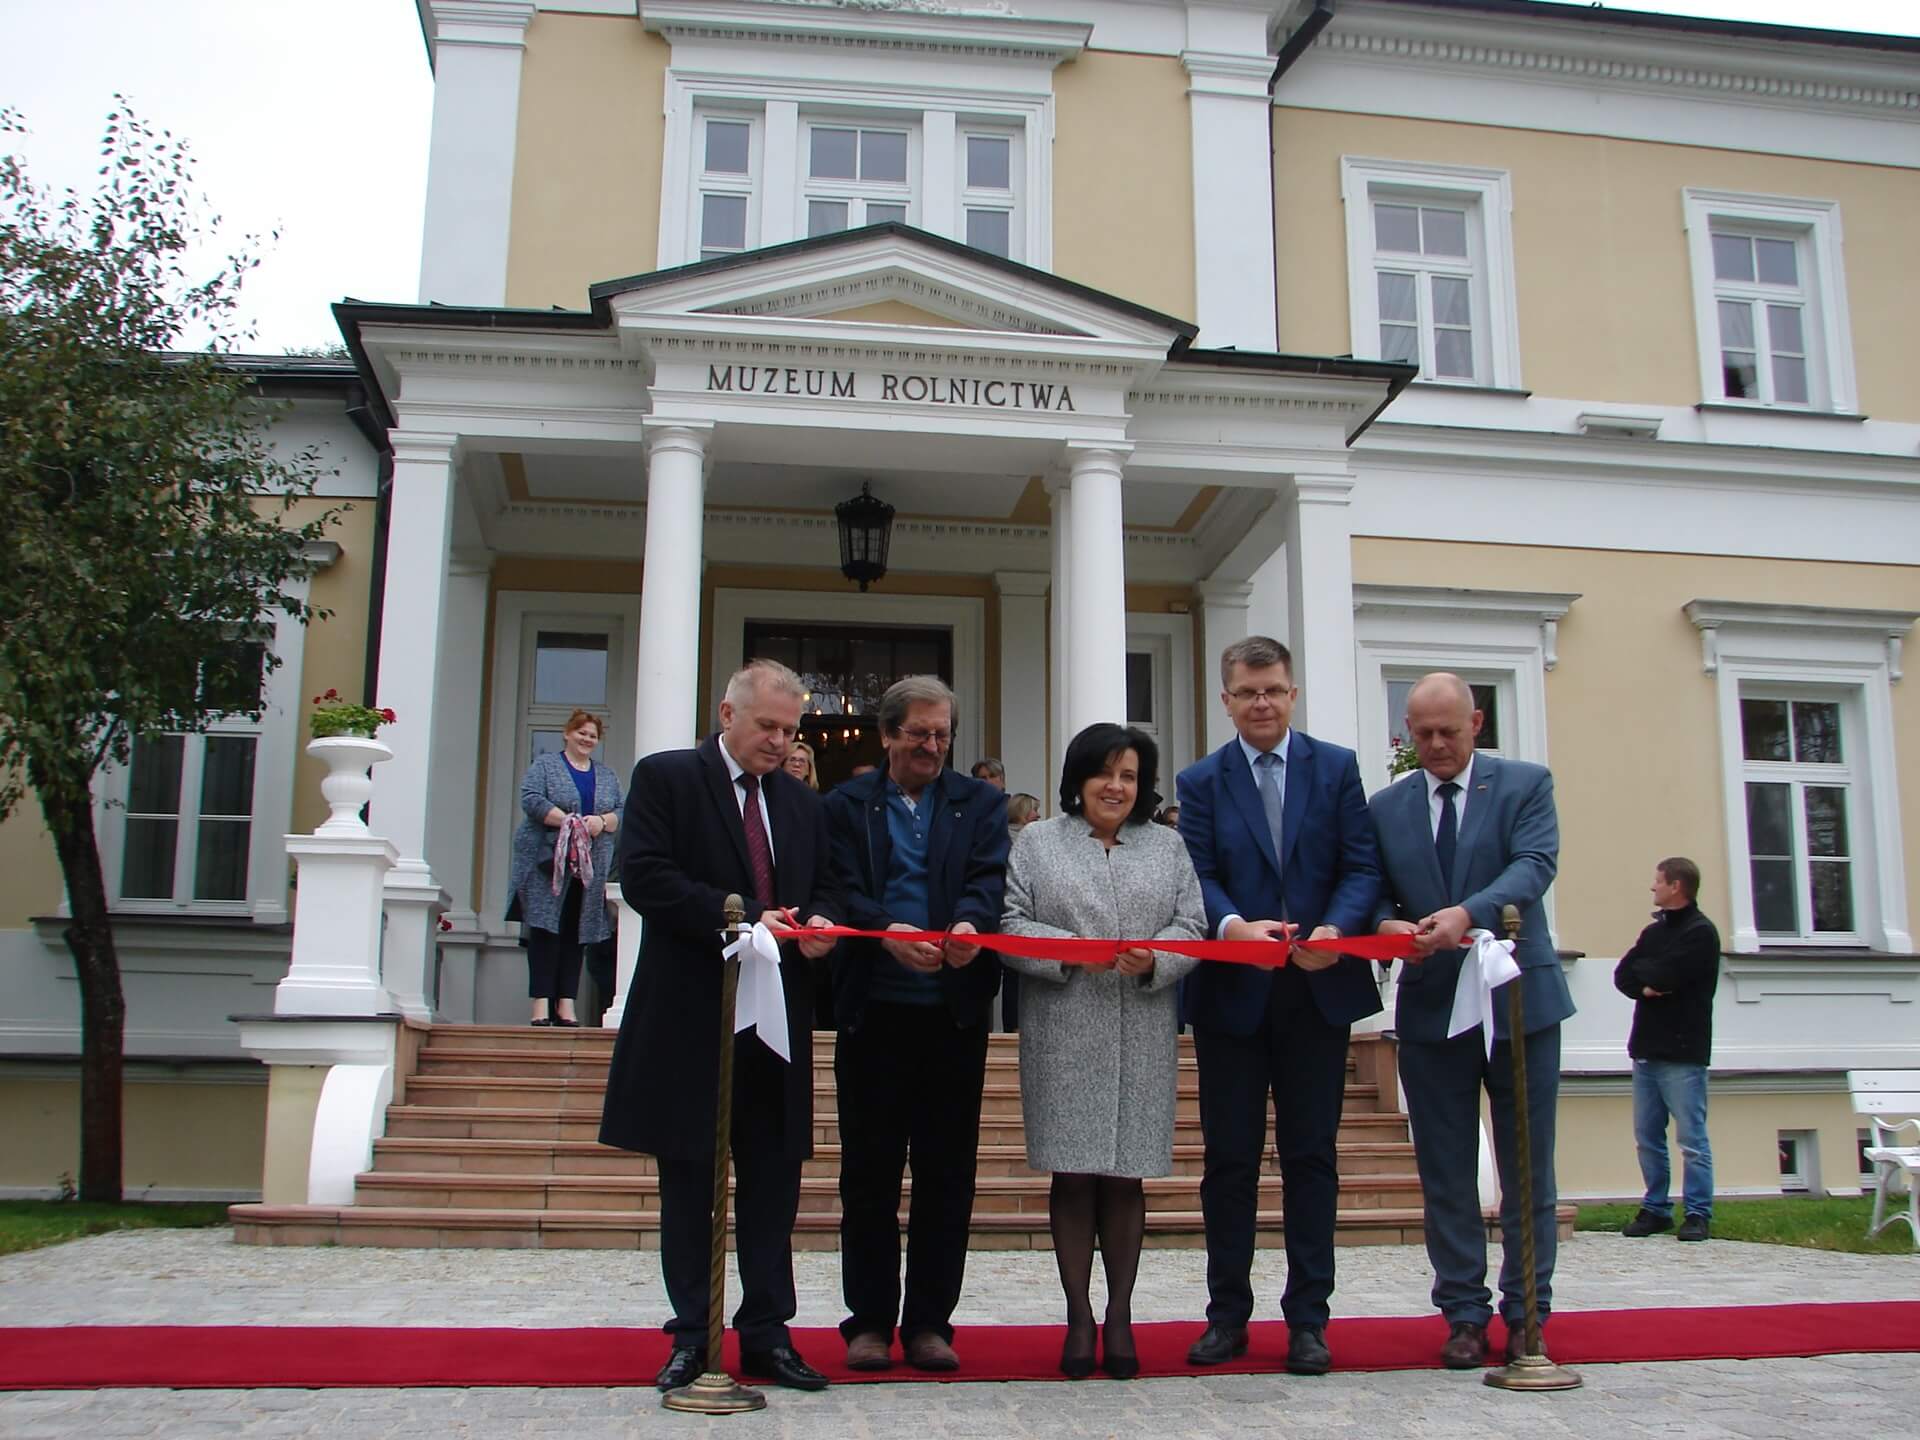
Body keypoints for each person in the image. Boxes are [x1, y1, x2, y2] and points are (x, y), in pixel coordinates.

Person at [599, 660, 843, 1394]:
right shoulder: (668, 777)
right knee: (690, 1178)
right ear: (726, 713)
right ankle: (693, 1336)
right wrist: (733, 916)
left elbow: (821, 885)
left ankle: (767, 1332)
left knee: (773, 1181)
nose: (778, 742)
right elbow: (642, 875)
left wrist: (820, 924)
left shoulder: (801, 804)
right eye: (767, 726)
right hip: (688, 1013)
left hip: (775, 1021)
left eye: (791, 731)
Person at [1175, 636, 1381, 1377]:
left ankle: (1309, 1322)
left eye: (1273, 689)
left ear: (1292, 695)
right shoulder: (1200, 780)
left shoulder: (1337, 768)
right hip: (1233, 994)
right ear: (1226, 700)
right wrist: (1233, 927)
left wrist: (1337, 928)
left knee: (1310, 1160)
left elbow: (1361, 864)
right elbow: (1194, 870)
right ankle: (1227, 1317)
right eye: (1247, 691)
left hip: (1317, 991)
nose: (1261, 702)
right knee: (1229, 1163)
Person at [1369, 671, 1572, 1368]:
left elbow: (1534, 865)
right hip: (1431, 1009)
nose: (1435, 745)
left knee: (1526, 1167)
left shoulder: (1524, 784)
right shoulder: (1387, 806)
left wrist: (1469, 913)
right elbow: (1371, 894)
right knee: (1446, 1170)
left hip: (1520, 1002)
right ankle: (1462, 1312)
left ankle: (1527, 1314)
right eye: (1421, 734)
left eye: (1447, 732)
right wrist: (1388, 924)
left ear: (1475, 723)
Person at [1001, 723, 1206, 1379]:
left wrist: (1158, 959)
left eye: (1129, 775)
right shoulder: (1037, 842)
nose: (1116, 786)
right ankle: (1078, 1316)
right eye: (1104, 773)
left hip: (1142, 1023)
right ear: (1078, 778)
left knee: (1125, 1175)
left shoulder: (1167, 847)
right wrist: (1073, 952)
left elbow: (1192, 925)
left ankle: (1119, 1314)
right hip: (1064, 1025)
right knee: (1073, 1171)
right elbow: (1011, 923)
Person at [822, 677, 1008, 1373]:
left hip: (952, 1016)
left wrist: (971, 922)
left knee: (946, 1175)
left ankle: (931, 1322)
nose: (932, 746)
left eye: (942, 734)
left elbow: (989, 877)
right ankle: (867, 1322)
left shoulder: (980, 802)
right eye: (919, 733)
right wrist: (880, 930)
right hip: (873, 1011)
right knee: (868, 1175)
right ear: (888, 734)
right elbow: (837, 885)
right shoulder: (844, 804)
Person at [1613, 856, 1721, 1242]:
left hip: (1683, 1050)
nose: (1653, 887)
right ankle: (1656, 1207)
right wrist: (1646, 984)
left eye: (1658, 882)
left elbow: (1669, 973)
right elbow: (1624, 974)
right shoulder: (1654, 932)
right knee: (1648, 1136)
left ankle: (1697, 1212)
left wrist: (1651, 975)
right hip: (1646, 1046)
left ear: (1677, 886)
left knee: (1691, 1137)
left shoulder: (1700, 933)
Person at [506, 710, 623, 1027]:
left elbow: (619, 812)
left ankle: (566, 1004)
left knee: (577, 933)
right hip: (547, 864)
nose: (587, 739)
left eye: (593, 735)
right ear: (567, 734)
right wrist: (568, 821)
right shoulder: (545, 765)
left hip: (589, 867)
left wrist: (600, 822)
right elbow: (530, 799)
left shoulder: (607, 775)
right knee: (544, 931)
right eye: (582, 733)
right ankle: (541, 1005)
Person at [1000, 793, 1043, 1032]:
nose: (1038, 814)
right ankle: (1014, 1027)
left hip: (1029, 915)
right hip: (1013, 915)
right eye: (1033, 810)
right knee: (1014, 975)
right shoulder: (1013, 840)